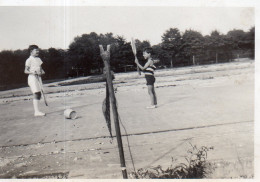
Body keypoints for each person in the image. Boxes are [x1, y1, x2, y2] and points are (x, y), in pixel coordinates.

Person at [24, 45, 46, 116]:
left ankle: (37, 111)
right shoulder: (29, 60)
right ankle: (36, 112)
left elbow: (41, 70)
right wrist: (33, 72)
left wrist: (42, 72)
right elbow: (25, 71)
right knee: (36, 93)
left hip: (38, 78)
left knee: (39, 94)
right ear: (31, 51)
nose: (38, 51)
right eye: (36, 50)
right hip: (32, 78)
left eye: (38, 50)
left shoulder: (39, 59)